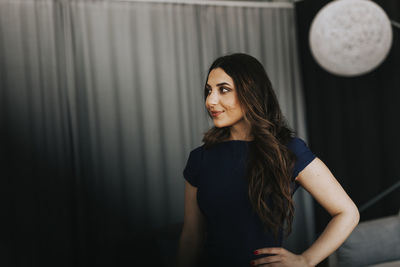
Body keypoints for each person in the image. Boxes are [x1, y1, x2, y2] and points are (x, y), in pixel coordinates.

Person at [176, 53, 359, 267]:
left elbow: (347, 212)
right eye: (209, 91)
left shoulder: (288, 151)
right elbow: (191, 237)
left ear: (250, 92)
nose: (210, 101)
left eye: (223, 90)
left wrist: (306, 260)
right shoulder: (200, 159)